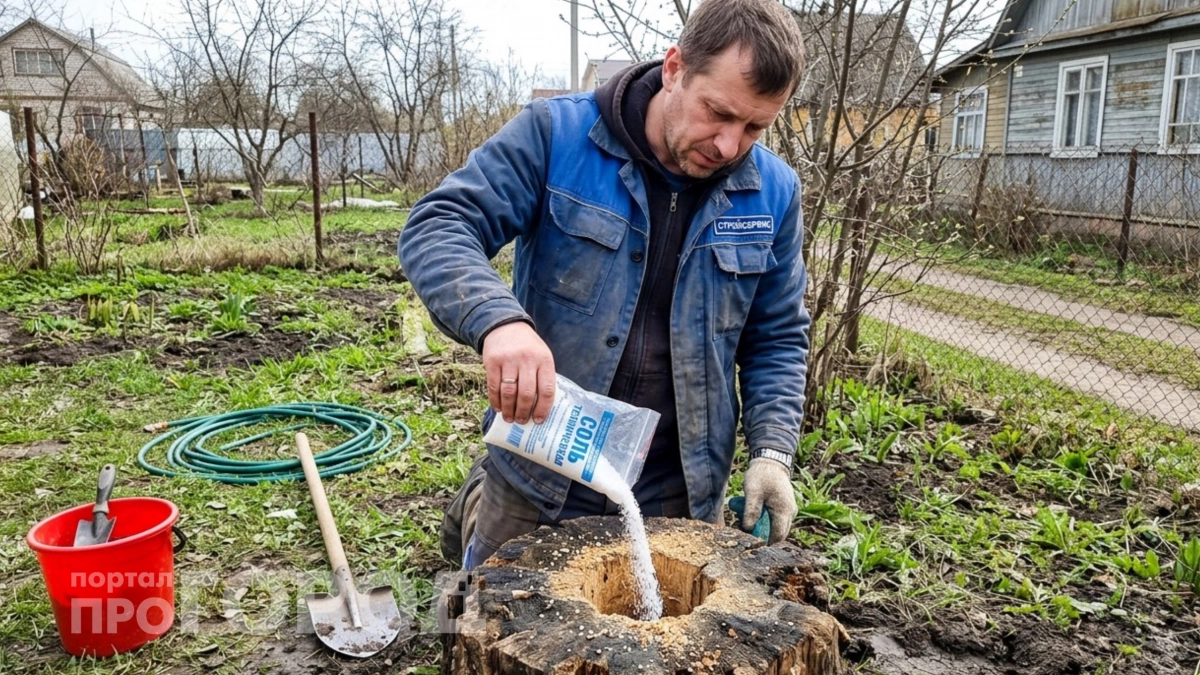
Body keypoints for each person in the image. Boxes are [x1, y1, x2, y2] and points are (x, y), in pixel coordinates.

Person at [399, 0, 809, 570]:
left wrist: (772, 452)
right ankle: (477, 504)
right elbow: (440, 224)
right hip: (541, 465)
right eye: (717, 112)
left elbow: (778, 337)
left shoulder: (774, 193)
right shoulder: (556, 137)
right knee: (491, 614)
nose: (728, 146)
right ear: (674, 68)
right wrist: (500, 322)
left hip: (677, 488)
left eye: (755, 127)